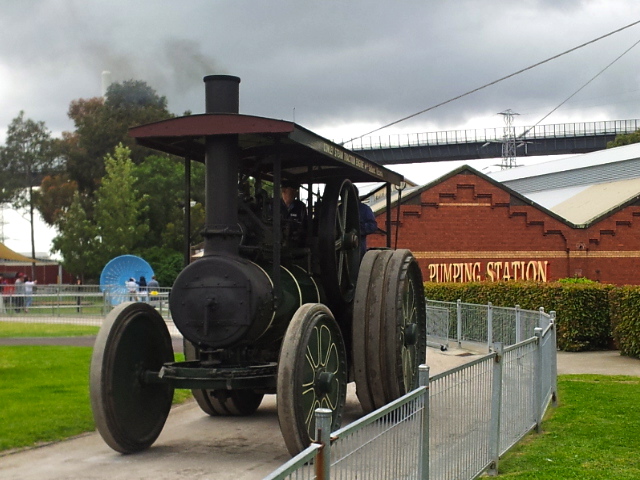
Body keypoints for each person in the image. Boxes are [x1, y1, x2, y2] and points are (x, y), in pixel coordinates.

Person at [354, 186, 378, 258]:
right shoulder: (339, 209)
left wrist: (358, 229)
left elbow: (373, 226)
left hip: (358, 248)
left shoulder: (364, 209)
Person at [281, 181, 307, 247]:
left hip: (296, 244)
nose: (294, 193)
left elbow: (305, 225)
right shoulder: (275, 205)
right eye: (291, 190)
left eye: (295, 191)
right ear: (284, 191)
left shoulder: (301, 206)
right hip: (279, 243)